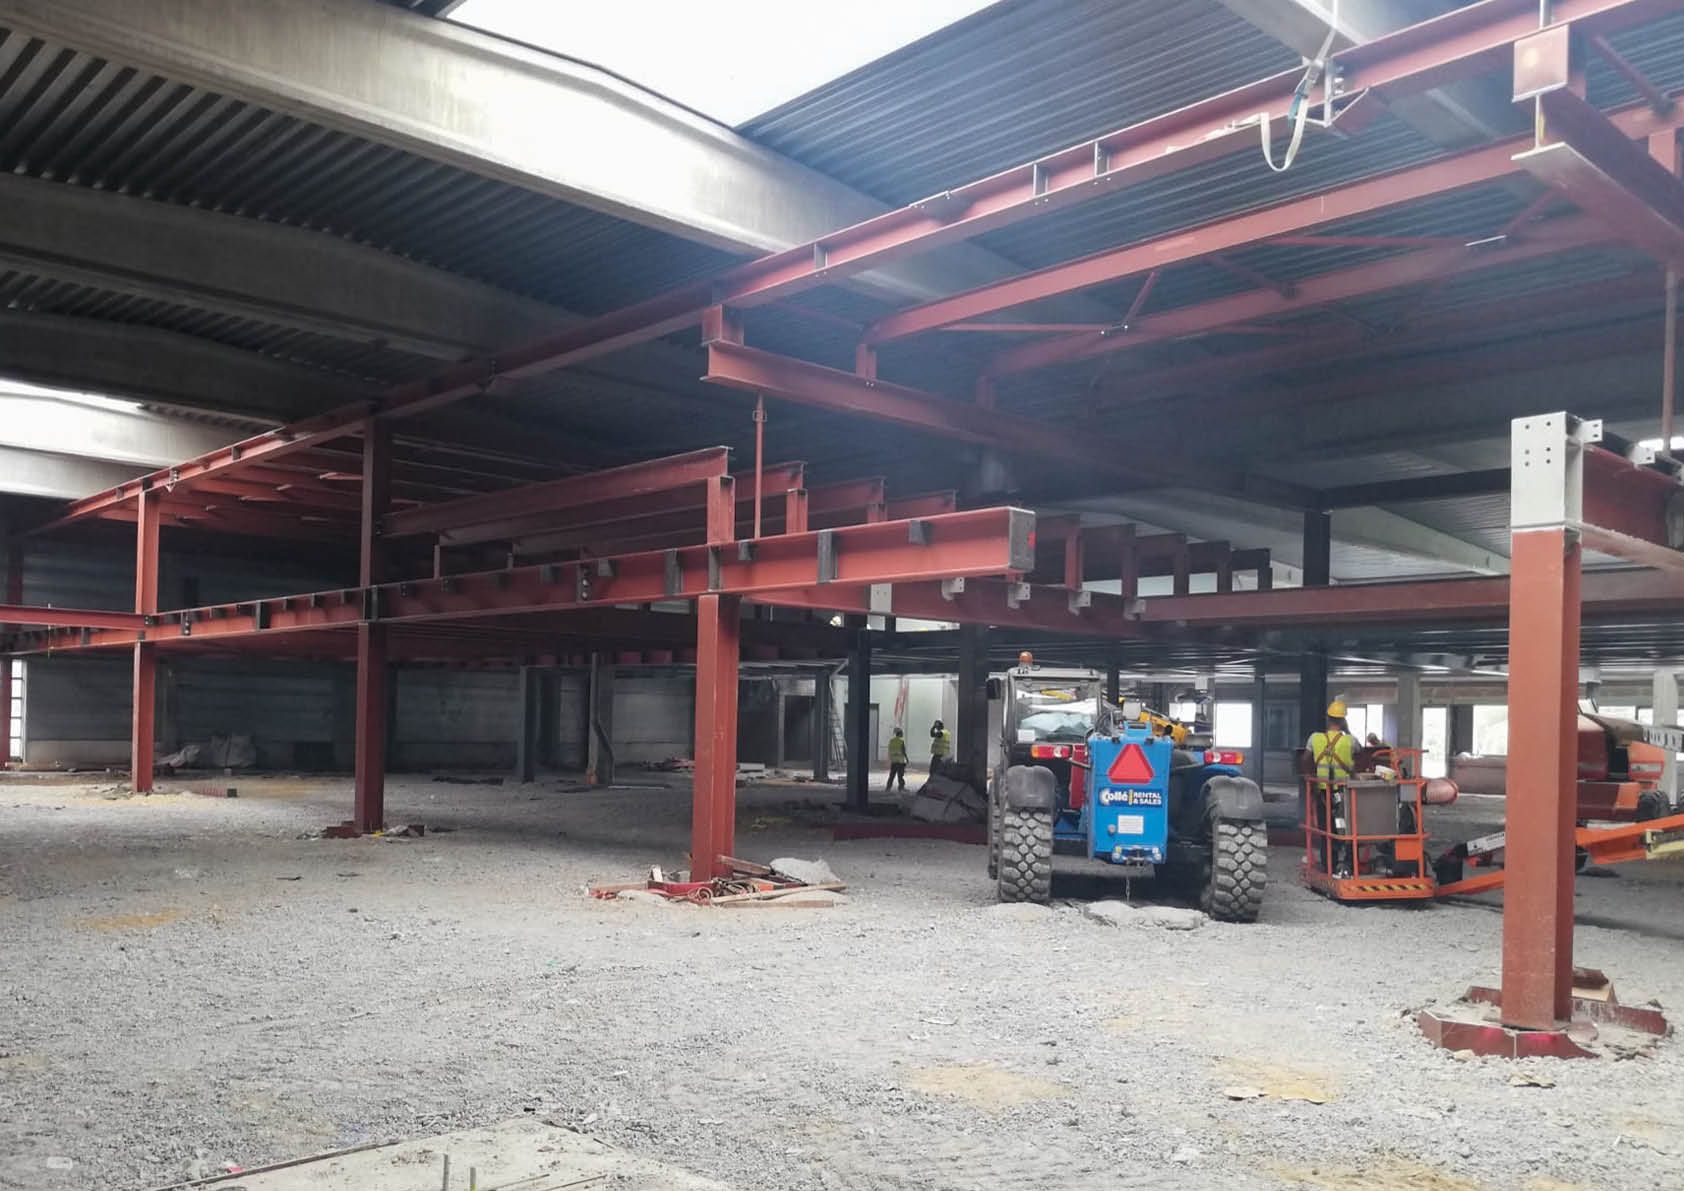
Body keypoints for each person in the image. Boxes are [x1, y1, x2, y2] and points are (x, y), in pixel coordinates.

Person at [887, 728, 909, 792]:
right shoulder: (901, 741)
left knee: (892, 775)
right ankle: (901, 787)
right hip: (900, 761)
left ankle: (888, 787)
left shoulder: (891, 741)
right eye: (902, 733)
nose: (902, 734)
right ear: (899, 734)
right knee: (900, 775)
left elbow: (890, 750)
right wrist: (907, 758)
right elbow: (903, 751)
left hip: (893, 761)